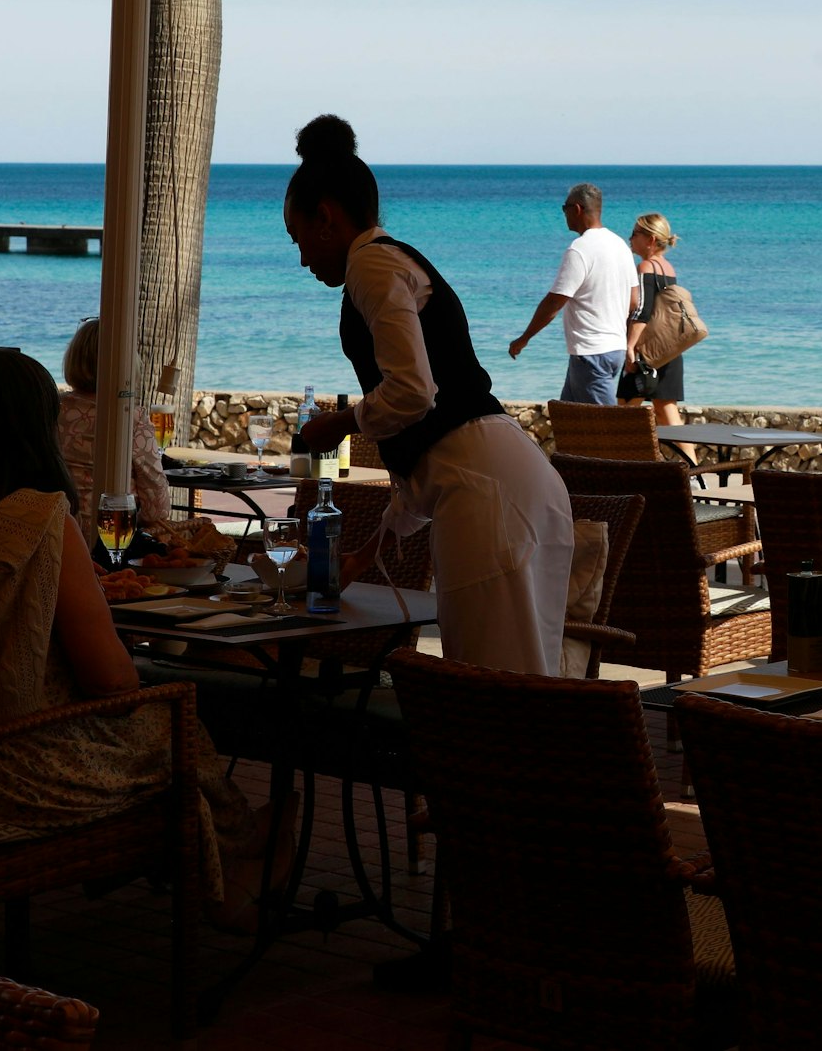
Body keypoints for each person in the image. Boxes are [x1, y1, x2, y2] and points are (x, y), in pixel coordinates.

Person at [0, 349, 275, 927]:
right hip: (24, 771)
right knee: (178, 723)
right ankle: (234, 869)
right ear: (33, 426)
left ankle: (213, 852)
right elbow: (110, 680)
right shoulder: (42, 521)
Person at [287, 116, 575, 675]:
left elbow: (414, 394)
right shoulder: (393, 260)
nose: (301, 258)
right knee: (527, 687)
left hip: (490, 493)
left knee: (491, 696)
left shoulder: (369, 264)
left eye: (298, 239)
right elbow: (434, 459)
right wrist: (363, 557)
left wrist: (339, 423)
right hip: (510, 479)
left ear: (325, 218)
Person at [508, 182, 638, 406]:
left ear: (576, 209)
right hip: (612, 348)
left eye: (564, 208)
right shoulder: (620, 246)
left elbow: (554, 302)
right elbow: (634, 300)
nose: (564, 214)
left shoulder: (580, 248)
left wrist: (524, 338)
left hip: (591, 353)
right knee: (569, 421)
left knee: (606, 430)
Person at [55, 317, 171, 542]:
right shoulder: (129, 417)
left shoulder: (52, 409)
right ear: (127, 363)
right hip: (114, 535)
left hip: (58, 531)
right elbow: (157, 506)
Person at [618, 212, 689, 430]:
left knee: (623, 409)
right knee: (667, 414)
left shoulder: (646, 267)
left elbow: (643, 310)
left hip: (647, 354)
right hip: (669, 350)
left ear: (650, 240)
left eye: (635, 234)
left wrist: (630, 346)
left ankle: (619, 460)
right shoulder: (668, 268)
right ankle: (692, 464)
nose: (630, 238)